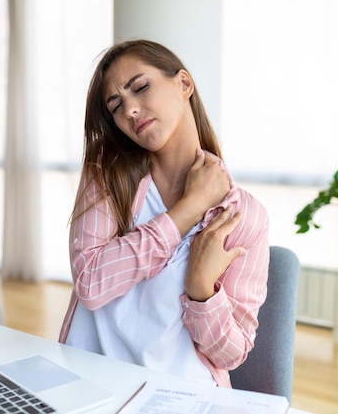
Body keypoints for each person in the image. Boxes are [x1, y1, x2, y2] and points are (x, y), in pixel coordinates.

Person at [58, 39, 269, 388]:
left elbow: (232, 354)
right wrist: (187, 211)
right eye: (116, 106)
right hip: (90, 387)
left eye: (140, 87)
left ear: (183, 83)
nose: (130, 110)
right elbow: (91, 282)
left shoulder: (244, 215)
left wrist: (202, 289)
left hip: (182, 396)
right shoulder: (108, 174)